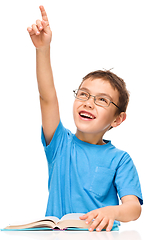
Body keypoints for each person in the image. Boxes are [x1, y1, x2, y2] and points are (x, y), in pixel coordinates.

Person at [27, 5, 143, 232]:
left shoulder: (120, 160)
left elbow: (133, 208)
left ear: (118, 120)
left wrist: (113, 211)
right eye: (83, 94)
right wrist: (43, 49)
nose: (88, 102)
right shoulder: (60, 144)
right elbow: (47, 97)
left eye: (101, 100)